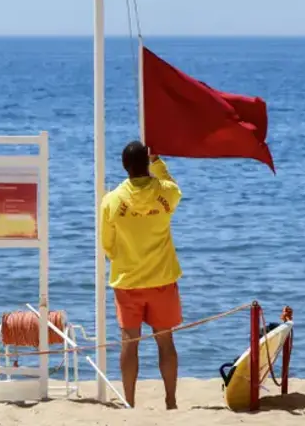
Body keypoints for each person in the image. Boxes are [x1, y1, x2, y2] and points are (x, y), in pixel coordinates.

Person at [100, 139, 184, 409]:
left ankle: (130, 401)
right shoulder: (165, 193)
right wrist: (158, 163)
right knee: (165, 340)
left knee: (129, 342)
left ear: (124, 167)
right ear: (146, 163)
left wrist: (123, 257)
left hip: (128, 281)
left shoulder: (112, 200)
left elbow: (107, 244)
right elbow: (175, 188)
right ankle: (170, 401)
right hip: (162, 278)